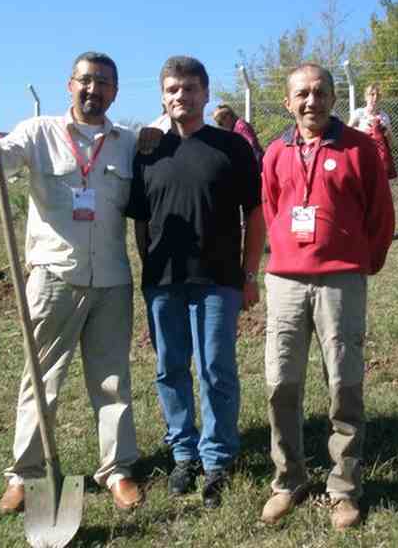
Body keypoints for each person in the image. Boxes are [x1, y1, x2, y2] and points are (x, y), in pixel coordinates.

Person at [0, 51, 143, 515]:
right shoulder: (38, 131)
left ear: (115, 91)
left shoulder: (127, 142)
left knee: (112, 380)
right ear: (70, 85)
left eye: (104, 82)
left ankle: (118, 470)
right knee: (40, 380)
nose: (94, 90)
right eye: (86, 80)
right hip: (53, 277)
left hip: (111, 279)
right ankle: (27, 474)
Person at [259, 63, 394, 529]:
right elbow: (272, 206)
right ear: (288, 101)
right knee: (280, 383)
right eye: (302, 94)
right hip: (286, 282)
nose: (311, 101)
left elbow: (381, 215)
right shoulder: (276, 152)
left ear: (334, 98)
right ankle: (288, 479)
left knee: (344, 383)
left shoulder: (360, 150)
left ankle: (344, 487)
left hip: (340, 281)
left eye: (320, 93)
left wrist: (359, 265)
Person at [127, 56, 266, 509]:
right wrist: (148, 268)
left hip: (219, 279)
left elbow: (255, 215)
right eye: (172, 89)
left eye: (189, 89)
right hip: (163, 282)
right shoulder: (148, 151)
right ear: (162, 96)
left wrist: (249, 276)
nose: (180, 96)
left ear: (205, 94)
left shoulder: (232, 148)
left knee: (216, 370)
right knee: (170, 369)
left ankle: (217, 459)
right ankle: (183, 453)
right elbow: (141, 220)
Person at [348, 83, 397, 179]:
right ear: (366, 97)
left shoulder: (384, 116)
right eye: (372, 94)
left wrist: (386, 132)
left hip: (379, 158)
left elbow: (391, 143)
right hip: (362, 156)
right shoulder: (359, 113)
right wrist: (361, 131)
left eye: (378, 95)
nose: (375, 98)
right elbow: (346, 132)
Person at [212, 103, 264, 170]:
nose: (220, 125)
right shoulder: (235, 129)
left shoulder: (241, 126)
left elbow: (252, 147)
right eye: (219, 123)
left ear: (228, 116)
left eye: (220, 121)